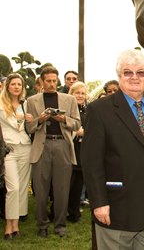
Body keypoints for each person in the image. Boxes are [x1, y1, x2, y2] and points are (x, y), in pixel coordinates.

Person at [81, 49, 144, 250]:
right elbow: (91, 161)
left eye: (141, 72)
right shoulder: (100, 110)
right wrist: (98, 202)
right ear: (119, 76)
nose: (134, 77)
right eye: (127, 72)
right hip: (116, 208)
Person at [25, 66, 81, 238]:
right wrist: (40, 120)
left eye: (53, 81)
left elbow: (77, 124)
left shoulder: (69, 99)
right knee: (41, 191)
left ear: (57, 81)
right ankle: (42, 224)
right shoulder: (32, 101)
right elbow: (29, 127)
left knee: (62, 189)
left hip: (62, 145)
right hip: (41, 147)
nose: (51, 84)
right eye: (48, 81)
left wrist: (63, 119)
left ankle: (60, 225)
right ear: (41, 81)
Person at [0, 73, 33, 239]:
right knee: (12, 188)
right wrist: (20, 121)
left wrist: (29, 120)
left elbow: (30, 126)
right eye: (13, 84)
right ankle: (8, 224)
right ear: (7, 86)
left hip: (25, 147)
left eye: (19, 84)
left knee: (22, 188)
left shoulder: (25, 104)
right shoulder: (0, 103)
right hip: (9, 149)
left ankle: (16, 224)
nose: (16, 87)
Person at [66, 81, 88, 223]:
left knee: (78, 183)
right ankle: (59, 212)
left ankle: (74, 213)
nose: (80, 96)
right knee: (67, 183)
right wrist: (75, 132)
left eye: (83, 93)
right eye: (77, 93)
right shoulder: (66, 110)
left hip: (83, 152)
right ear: (71, 94)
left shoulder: (88, 111)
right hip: (68, 150)